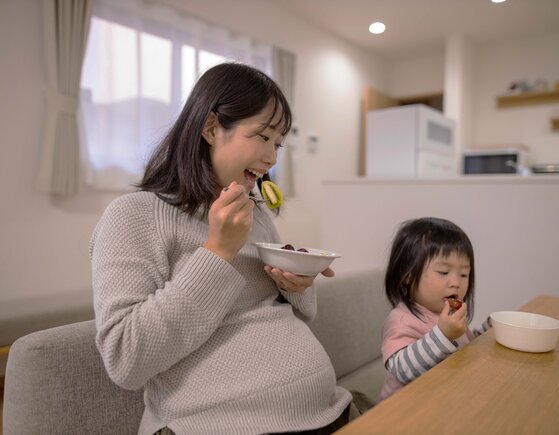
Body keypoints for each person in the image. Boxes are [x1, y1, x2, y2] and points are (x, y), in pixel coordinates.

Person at [90, 62, 370, 435]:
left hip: (326, 410)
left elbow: (297, 316)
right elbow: (125, 358)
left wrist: (296, 286)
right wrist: (217, 252)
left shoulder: (253, 211)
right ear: (210, 128)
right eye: (263, 136)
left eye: (279, 143)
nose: (272, 158)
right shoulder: (134, 215)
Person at [379, 217, 490, 401]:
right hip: (404, 408)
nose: (455, 283)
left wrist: (486, 331)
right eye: (443, 272)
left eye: (464, 274)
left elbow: (464, 348)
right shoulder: (401, 319)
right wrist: (444, 335)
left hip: (444, 399)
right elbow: (402, 369)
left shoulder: (449, 316)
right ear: (408, 275)